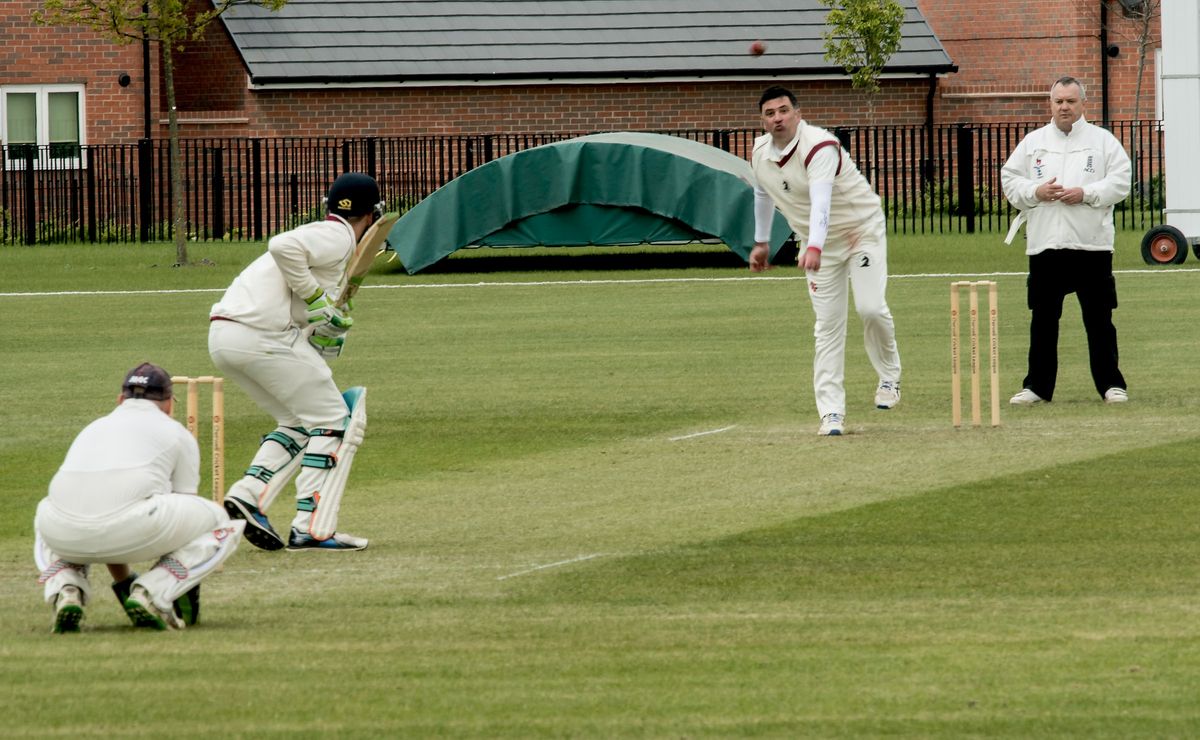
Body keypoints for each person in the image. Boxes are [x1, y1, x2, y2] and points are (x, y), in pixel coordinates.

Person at [209, 172, 380, 552]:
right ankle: (312, 528)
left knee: (298, 421)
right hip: (261, 334)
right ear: (372, 217)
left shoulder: (327, 248)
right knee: (336, 419)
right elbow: (281, 244)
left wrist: (330, 323)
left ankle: (248, 496)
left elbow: (311, 323)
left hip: (227, 336)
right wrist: (317, 298)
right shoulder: (335, 235)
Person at [34, 363, 246, 633]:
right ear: (169, 403)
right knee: (220, 521)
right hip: (133, 526)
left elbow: (101, 512)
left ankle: (66, 588)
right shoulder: (177, 433)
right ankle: (152, 593)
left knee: (51, 508)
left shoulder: (93, 428)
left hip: (60, 533)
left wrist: (124, 581)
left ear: (120, 399)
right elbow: (185, 518)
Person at [748, 85, 902, 436]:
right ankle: (831, 412)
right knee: (827, 327)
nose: (778, 118)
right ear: (763, 121)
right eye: (770, 114)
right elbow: (762, 192)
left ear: (798, 114)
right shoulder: (759, 152)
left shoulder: (819, 145)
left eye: (784, 110)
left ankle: (890, 376)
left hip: (859, 231)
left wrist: (813, 245)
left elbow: (822, 200)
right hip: (819, 246)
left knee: (870, 308)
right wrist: (761, 242)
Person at [1001, 76, 1131, 405]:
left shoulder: (1102, 141)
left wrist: (1086, 193)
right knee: (1043, 320)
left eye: (1070, 101)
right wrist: (1036, 191)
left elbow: (1120, 182)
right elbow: (1010, 179)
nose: (1064, 107)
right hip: (1046, 245)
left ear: (1083, 104)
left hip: (1091, 246)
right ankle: (1037, 388)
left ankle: (1111, 385)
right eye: (1059, 101)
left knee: (1099, 320)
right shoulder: (1033, 142)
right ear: (1051, 104)